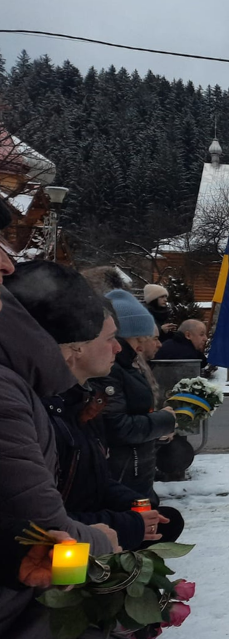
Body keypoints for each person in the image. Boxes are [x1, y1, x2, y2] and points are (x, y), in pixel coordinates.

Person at [0, 213, 122, 637]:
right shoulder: (7, 391)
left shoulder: (22, 387)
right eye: (107, 337)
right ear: (72, 349)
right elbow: (50, 538)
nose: (6, 263)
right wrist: (107, 541)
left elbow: (25, 538)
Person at [5, 262, 174, 551]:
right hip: (48, 573)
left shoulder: (73, 397)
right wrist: (123, 527)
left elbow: (90, 476)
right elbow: (39, 525)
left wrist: (132, 504)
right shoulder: (26, 398)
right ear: (77, 344)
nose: (119, 348)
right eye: (110, 339)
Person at [97, 290, 178, 503]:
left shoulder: (128, 365)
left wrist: (157, 429)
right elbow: (118, 427)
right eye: (138, 338)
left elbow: (136, 413)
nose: (141, 346)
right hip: (123, 475)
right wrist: (164, 420)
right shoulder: (112, 370)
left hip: (135, 473)